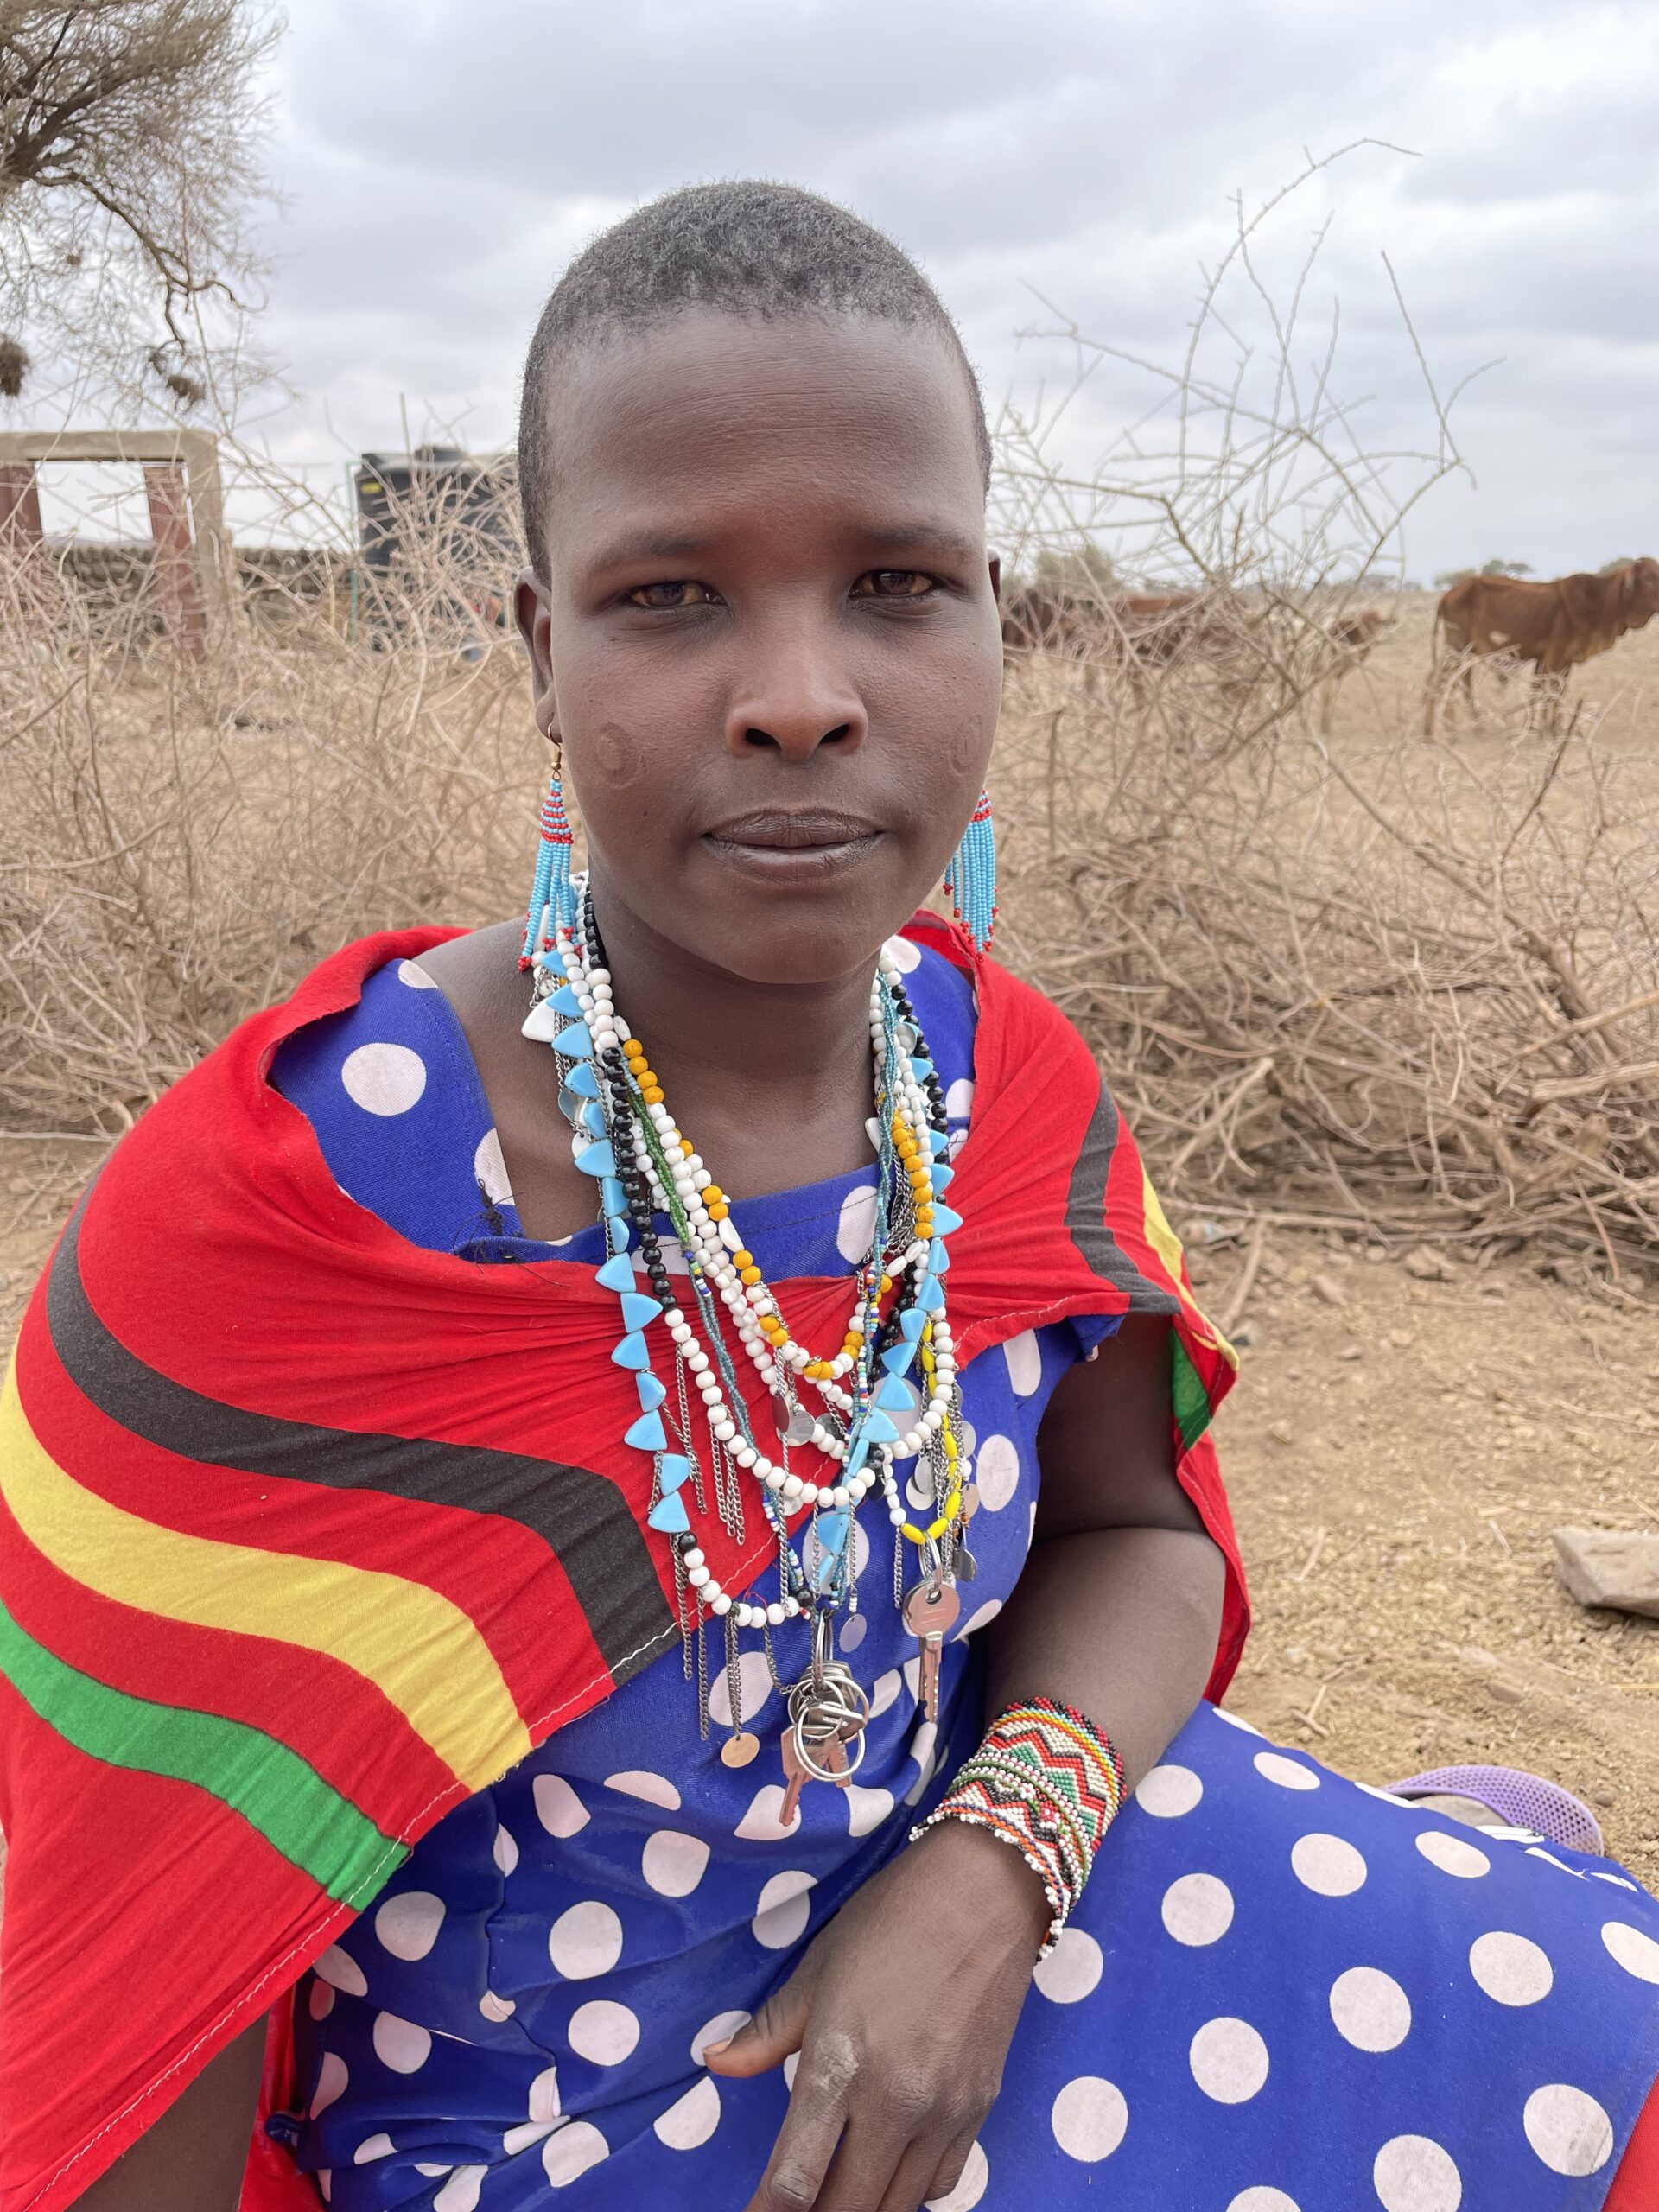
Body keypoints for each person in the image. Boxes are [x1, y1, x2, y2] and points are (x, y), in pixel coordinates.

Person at [2, 182, 1656, 2212]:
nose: (801, 690)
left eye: (895, 581)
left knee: (1592, 2026)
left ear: (990, 619)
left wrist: (989, 1869)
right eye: (672, 595)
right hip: (557, 2141)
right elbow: (137, 1962)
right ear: (540, 647)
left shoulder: (995, 1082)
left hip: (1020, 1938)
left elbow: (1138, 1530)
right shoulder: (302, 1208)